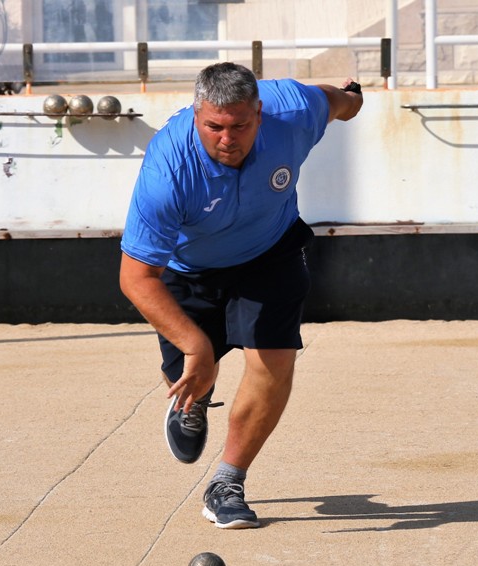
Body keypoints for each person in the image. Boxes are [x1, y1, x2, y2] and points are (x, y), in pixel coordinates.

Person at [119, 62, 363, 529]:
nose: (226, 139)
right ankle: (195, 403)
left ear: (260, 113)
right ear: (196, 116)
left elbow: (336, 101)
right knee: (195, 368)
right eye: (214, 126)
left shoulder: (292, 110)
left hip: (269, 252)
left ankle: (228, 482)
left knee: (274, 359)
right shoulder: (167, 170)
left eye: (239, 126)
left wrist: (353, 100)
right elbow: (136, 278)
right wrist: (196, 346)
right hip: (188, 270)